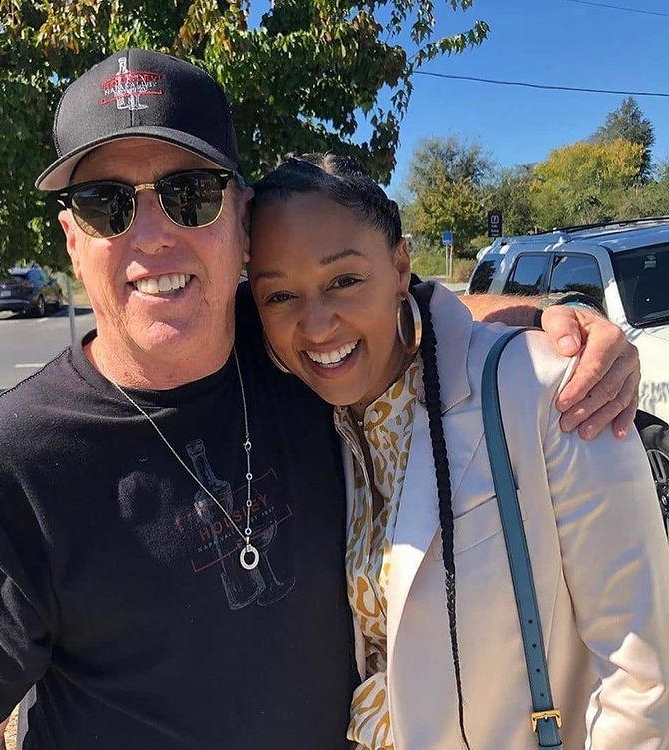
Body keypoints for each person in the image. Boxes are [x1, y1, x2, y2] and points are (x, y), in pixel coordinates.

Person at [0, 50, 642, 750]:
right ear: (72, 240)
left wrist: (557, 326)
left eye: (189, 194)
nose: (153, 235)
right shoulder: (0, 473)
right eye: (105, 204)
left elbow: (398, 308)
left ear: (241, 219)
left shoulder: (295, 349)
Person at [247, 153, 669, 749]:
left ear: (400, 267)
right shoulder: (307, 419)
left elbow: (643, 674)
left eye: (344, 281)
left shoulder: (546, 388)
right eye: (280, 296)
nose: (316, 326)